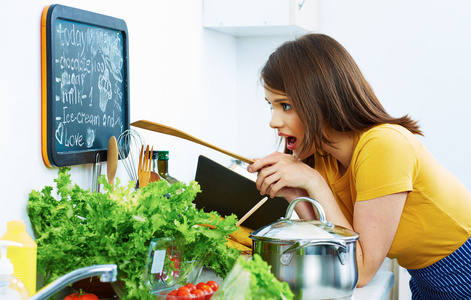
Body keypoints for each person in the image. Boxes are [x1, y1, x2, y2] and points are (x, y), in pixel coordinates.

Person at [248, 33, 471, 299]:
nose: (274, 121)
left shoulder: (384, 145)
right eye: (271, 106)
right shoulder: (325, 158)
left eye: (286, 105)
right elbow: (337, 249)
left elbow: (360, 270)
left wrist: (314, 183)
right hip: (426, 278)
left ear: (321, 99)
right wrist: (298, 193)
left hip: (462, 271)